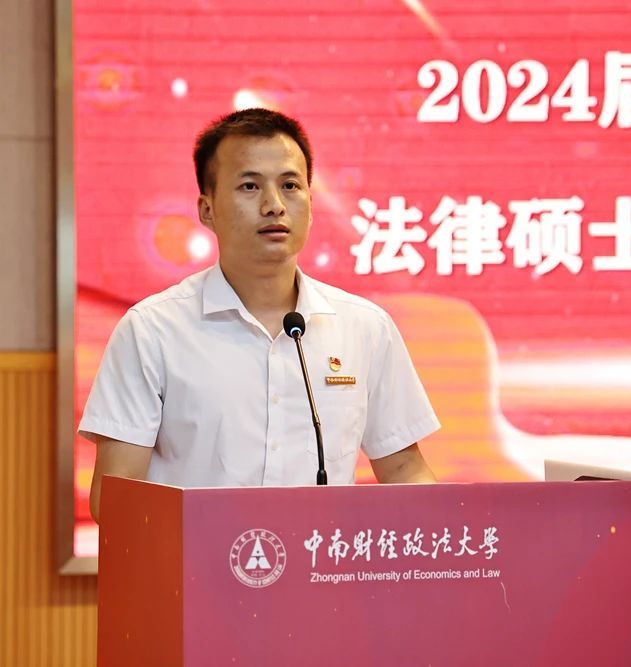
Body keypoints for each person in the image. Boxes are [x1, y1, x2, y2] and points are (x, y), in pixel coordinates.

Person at [81, 108, 439, 522]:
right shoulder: (152, 331)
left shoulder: (365, 328)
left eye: (290, 186)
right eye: (250, 186)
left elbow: (405, 469)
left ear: (311, 204)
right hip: (198, 563)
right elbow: (117, 499)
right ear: (207, 209)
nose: (274, 206)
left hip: (322, 562)